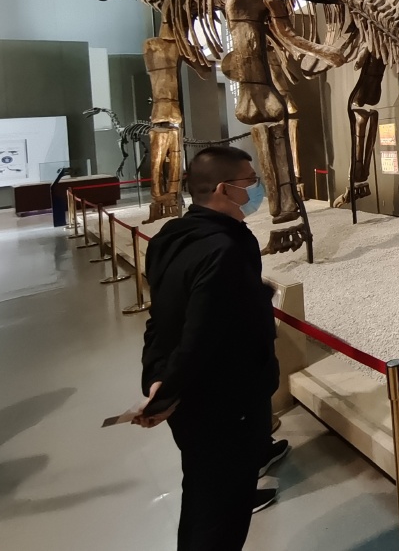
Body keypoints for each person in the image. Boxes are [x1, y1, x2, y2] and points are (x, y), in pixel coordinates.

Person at [134, 146, 280, 550]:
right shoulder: (225, 249)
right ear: (224, 189)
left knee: (202, 495)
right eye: (250, 182)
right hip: (226, 404)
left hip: (194, 406)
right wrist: (169, 392)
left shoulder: (169, 238)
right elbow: (201, 333)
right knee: (219, 516)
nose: (257, 189)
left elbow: (163, 318)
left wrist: (158, 379)